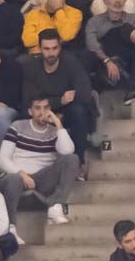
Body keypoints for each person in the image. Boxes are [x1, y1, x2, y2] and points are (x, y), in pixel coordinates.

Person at [0, 96, 79, 229]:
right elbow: (2, 159)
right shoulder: (18, 126)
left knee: (72, 159)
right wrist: (22, 174)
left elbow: (68, 151)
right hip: (17, 178)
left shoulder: (54, 132)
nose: (42, 112)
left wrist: (58, 124)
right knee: (14, 179)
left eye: (46, 108)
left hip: (42, 179)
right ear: (30, 111)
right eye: (37, 108)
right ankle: (10, 228)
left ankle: (55, 205)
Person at [21, 28, 97, 168]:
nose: (51, 53)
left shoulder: (71, 63)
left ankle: (78, 162)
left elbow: (84, 91)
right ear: (40, 49)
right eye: (46, 49)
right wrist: (59, 102)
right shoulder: (31, 67)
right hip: (43, 112)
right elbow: (28, 98)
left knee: (78, 111)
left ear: (60, 47)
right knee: (23, 113)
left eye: (55, 48)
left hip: (68, 112)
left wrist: (58, 112)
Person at [85, 0, 135, 103]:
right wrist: (107, 61)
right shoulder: (94, 21)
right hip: (105, 63)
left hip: (126, 63)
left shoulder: (133, 18)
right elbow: (91, 45)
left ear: (125, 0)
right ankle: (131, 86)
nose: (117, 1)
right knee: (121, 31)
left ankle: (133, 88)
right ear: (105, 0)